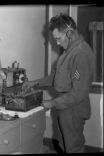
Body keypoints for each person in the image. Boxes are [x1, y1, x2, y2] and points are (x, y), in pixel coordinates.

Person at [22, 13, 94, 153]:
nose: (57, 43)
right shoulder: (68, 52)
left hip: (73, 108)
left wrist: (52, 103)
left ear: (69, 33)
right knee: (62, 143)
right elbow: (54, 77)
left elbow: (79, 92)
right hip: (64, 106)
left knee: (73, 147)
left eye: (59, 38)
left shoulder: (80, 54)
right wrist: (33, 83)